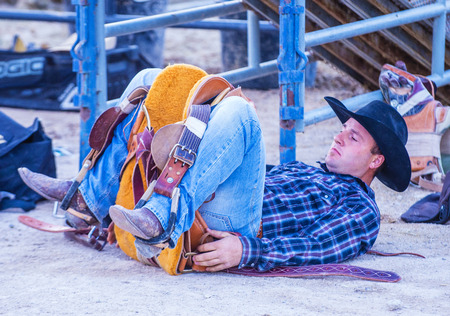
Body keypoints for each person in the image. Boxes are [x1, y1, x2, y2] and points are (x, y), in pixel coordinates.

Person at [18, 68, 411, 272]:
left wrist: (246, 249)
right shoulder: (310, 171)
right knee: (151, 81)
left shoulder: (359, 207)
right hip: (211, 202)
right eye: (343, 129)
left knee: (242, 113)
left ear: (376, 161)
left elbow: (322, 246)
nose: (340, 137)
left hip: (237, 228)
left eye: (354, 138)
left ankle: (160, 216)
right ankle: (89, 197)